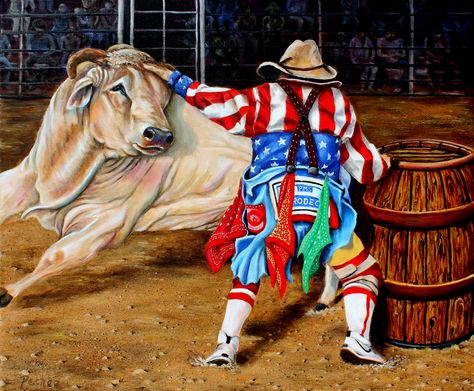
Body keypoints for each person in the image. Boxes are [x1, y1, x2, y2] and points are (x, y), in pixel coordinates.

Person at [155, 39, 391, 366]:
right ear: (321, 75)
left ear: (283, 71)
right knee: (362, 271)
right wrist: (385, 163)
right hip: (321, 207)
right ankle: (358, 340)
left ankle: (226, 345)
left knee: (249, 268)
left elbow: (217, 103)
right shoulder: (339, 103)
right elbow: (366, 167)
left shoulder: (263, 97)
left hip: (269, 201)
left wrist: (177, 81)